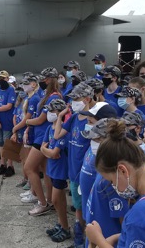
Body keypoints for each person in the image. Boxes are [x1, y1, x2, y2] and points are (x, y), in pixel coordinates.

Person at [86, 119, 145, 248]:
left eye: (112, 181)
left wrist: (99, 240)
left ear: (123, 170)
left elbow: (141, 227)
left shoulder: (141, 214)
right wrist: (120, 236)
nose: (114, 186)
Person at [54, 82, 95, 248]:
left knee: (89, 210)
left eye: (76, 99)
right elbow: (57, 135)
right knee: (78, 208)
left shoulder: (94, 120)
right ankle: (80, 239)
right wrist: (60, 117)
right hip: (73, 171)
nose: (72, 103)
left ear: (87, 99)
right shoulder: (74, 118)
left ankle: (86, 241)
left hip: (86, 172)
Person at [82, 118, 129, 248]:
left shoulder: (112, 179)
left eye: (96, 140)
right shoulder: (104, 168)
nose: (93, 143)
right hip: (95, 237)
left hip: (106, 240)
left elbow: (123, 222)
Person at [22, 67, 61, 216]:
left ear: (50, 79)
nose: (42, 82)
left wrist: (26, 122)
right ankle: (48, 200)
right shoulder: (49, 95)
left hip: (43, 136)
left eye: (44, 79)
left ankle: (42, 202)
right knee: (46, 171)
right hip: (41, 135)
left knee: (29, 168)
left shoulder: (53, 97)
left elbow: (40, 119)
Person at [40, 99, 71, 243]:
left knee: (56, 199)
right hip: (52, 168)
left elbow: (53, 153)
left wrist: (47, 151)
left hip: (60, 170)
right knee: (58, 200)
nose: (49, 113)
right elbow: (43, 148)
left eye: (52, 111)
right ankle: (61, 223)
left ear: (59, 113)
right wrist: (47, 151)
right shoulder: (49, 129)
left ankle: (65, 228)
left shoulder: (63, 131)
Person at [13, 75, 41, 190]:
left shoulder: (34, 98)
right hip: (25, 130)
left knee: (30, 162)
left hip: (30, 131)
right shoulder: (28, 98)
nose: (24, 86)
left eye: (26, 84)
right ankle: (27, 180)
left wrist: (15, 128)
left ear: (33, 84)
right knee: (24, 157)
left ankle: (31, 185)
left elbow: (27, 119)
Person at [0, 70, 17, 177]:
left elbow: (9, 106)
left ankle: (10, 165)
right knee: (1, 142)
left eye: (4, 78)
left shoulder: (11, 90)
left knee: (8, 143)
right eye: (0, 78)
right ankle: (3, 164)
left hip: (7, 121)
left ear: (8, 79)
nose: (2, 80)